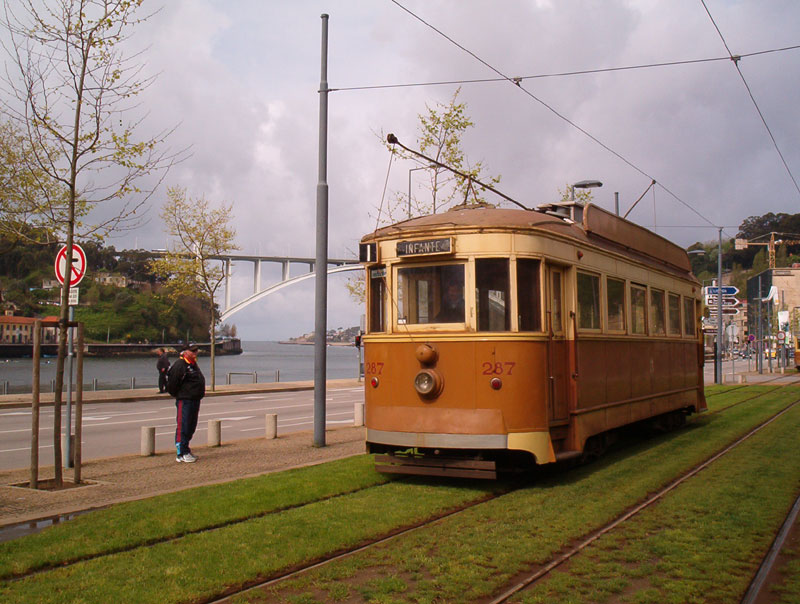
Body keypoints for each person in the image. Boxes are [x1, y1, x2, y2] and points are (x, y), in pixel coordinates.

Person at [166, 343, 205, 463]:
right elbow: (172, 384)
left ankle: (186, 449)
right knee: (183, 425)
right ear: (185, 352)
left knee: (191, 426)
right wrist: (180, 395)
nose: (195, 353)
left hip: (194, 399)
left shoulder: (193, 365)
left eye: (196, 350)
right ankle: (181, 453)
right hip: (185, 399)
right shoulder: (180, 365)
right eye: (192, 351)